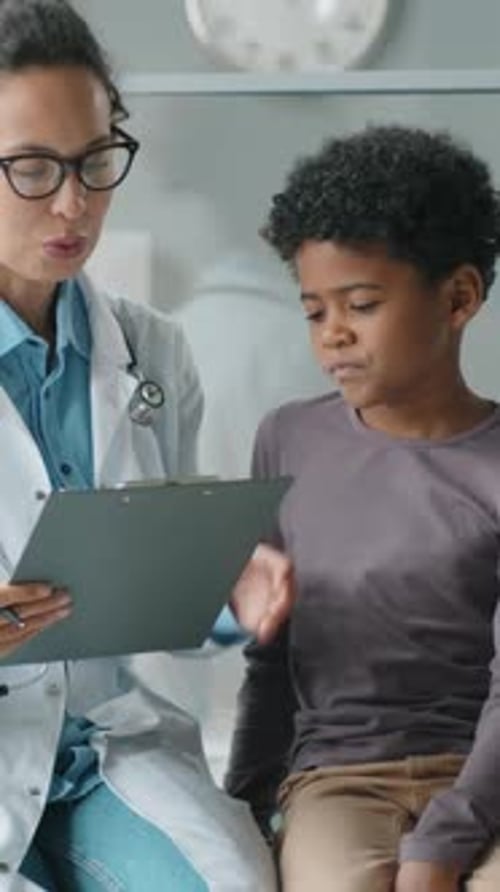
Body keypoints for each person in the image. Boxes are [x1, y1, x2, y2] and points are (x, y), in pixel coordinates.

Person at [0, 2, 293, 890]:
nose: (73, 201)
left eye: (95, 161)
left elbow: (149, 576)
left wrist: (234, 578)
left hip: (100, 743)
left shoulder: (152, 351)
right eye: (33, 169)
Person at [225, 123, 500, 892]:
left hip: (487, 774)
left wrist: (440, 849)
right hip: (339, 780)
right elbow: (272, 657)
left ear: (459, 297)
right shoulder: (289, 439)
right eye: (315, 311)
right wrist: (241, 803)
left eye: (362, 304)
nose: (334, 334)